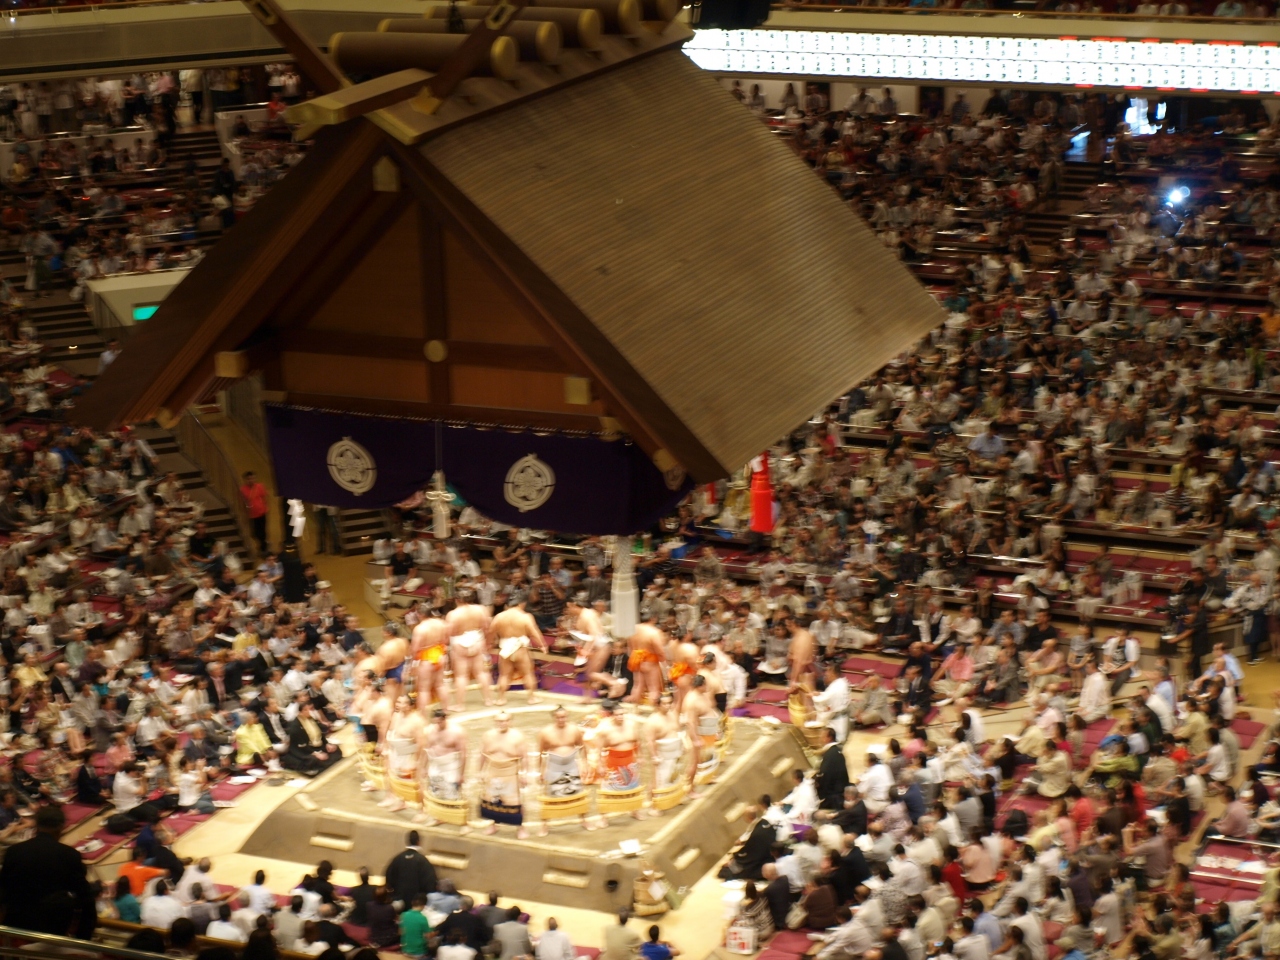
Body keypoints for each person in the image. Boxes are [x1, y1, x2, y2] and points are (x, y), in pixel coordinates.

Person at [0, 805, 95, 938]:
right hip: (53, 927)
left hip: (16, 923)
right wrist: (84, 937)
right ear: (61, 827)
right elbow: (85, 896)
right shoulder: (69, 855)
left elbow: (3, 889)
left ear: (36, 826)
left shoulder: (14, 851)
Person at [479, 711, 529, 838]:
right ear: (495, 722)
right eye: (500, 721)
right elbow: (483, 755)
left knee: (514, 802)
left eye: (506, 720)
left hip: (510, 773)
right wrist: (480, 771)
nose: (503, 723)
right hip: (493, 771)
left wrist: (524, 773)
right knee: (492, 801)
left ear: (510, 722)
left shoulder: (518, 736)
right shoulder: (488, 735)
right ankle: (493, 824)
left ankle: (520, 827)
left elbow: (524, 757)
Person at [383, 831, 438, 909]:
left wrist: (394, 893)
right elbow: (430, 882)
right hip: (416, 903)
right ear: (418, 842)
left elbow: (388, 877)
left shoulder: (398, 858)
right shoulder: (423, 860)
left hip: (399, 902)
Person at [239, 471, 269, 554]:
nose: (251, 480)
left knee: (262, 531)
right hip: (252, 515)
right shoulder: (243, 490)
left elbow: (265, 498)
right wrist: (244, 514)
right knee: (254, 533)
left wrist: (265, 508)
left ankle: (263, 548)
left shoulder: (260, 487)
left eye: (252, 478)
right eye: (248, 479)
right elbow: (242, 503)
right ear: (245, 480)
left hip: (261, 513)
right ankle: (262, 545)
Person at [399, 895, 431, 960]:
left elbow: (400, 932)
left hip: (405, 950)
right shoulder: (422, 918)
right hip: (419, 953)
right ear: (423, 906)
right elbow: (428, 936)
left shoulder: (403, 915)